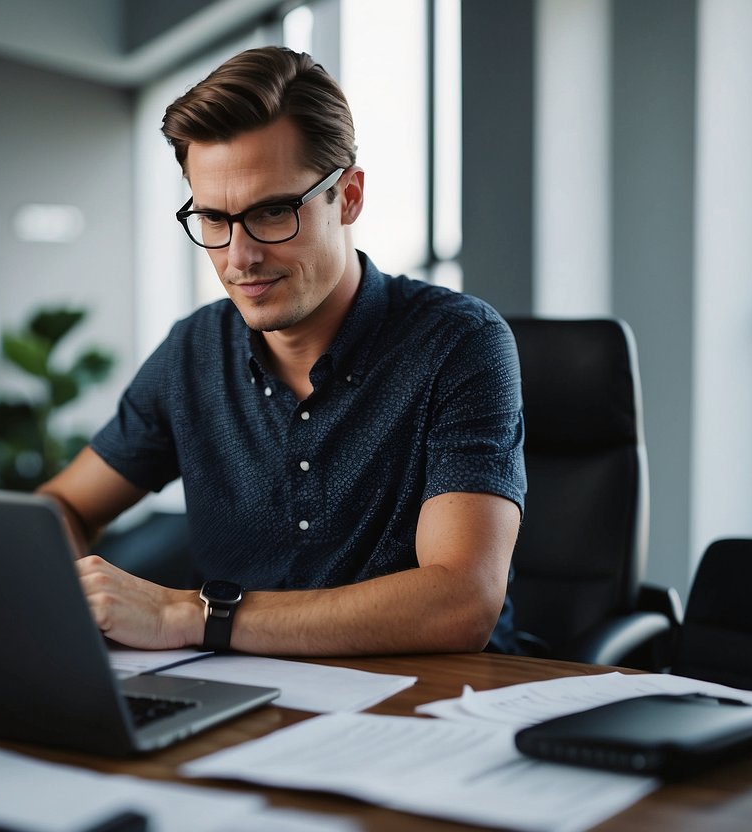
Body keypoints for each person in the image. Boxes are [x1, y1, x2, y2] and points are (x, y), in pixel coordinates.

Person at [39, 46, 525, 657]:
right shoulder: (193, 351)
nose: (239, 257)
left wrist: (186, 614)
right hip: (241, 701)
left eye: (272, 213)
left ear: (347, 198)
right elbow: (61, 505)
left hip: (431, 705)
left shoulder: (458, 342)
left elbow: (462, 601)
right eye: (213, 218)